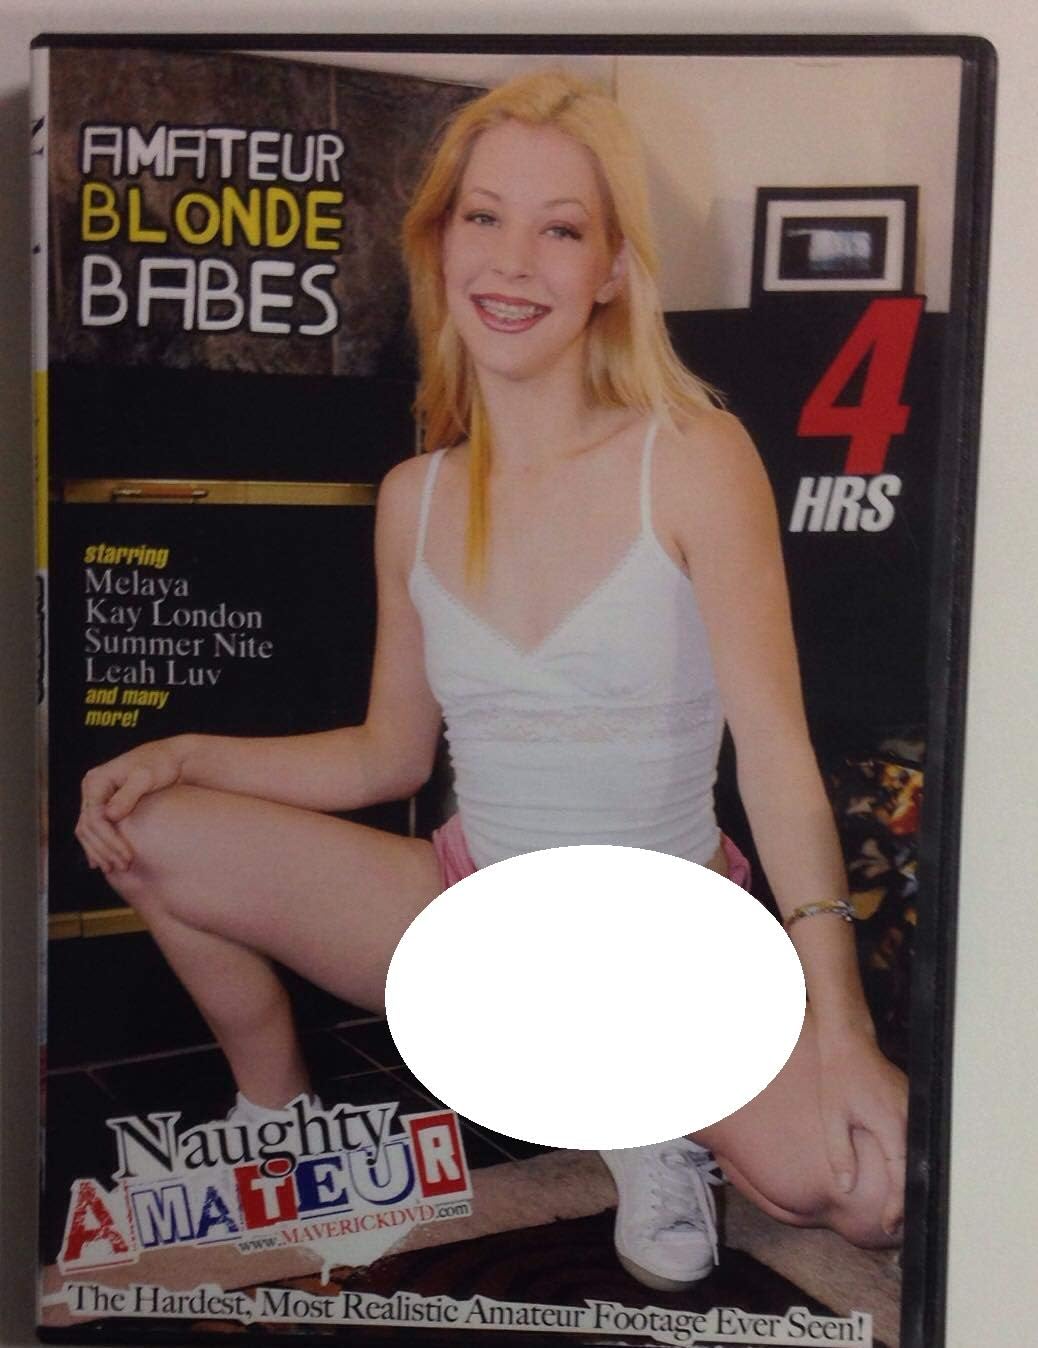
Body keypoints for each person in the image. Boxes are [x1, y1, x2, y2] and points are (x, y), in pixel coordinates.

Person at [75, 69, 907, 1294]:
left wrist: (844, 1026)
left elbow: (777, 755)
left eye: (560, 229)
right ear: (441, 240)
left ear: (611, 267)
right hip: (472, 920)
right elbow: (388, 755)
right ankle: (280, 1117)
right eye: (484, 215)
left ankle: (648, 1119)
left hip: (667, 948)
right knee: (141, 823)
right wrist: (185, 753)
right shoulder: (414, 497)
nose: (513, 261)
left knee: (865, 1184)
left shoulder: (693, 456)